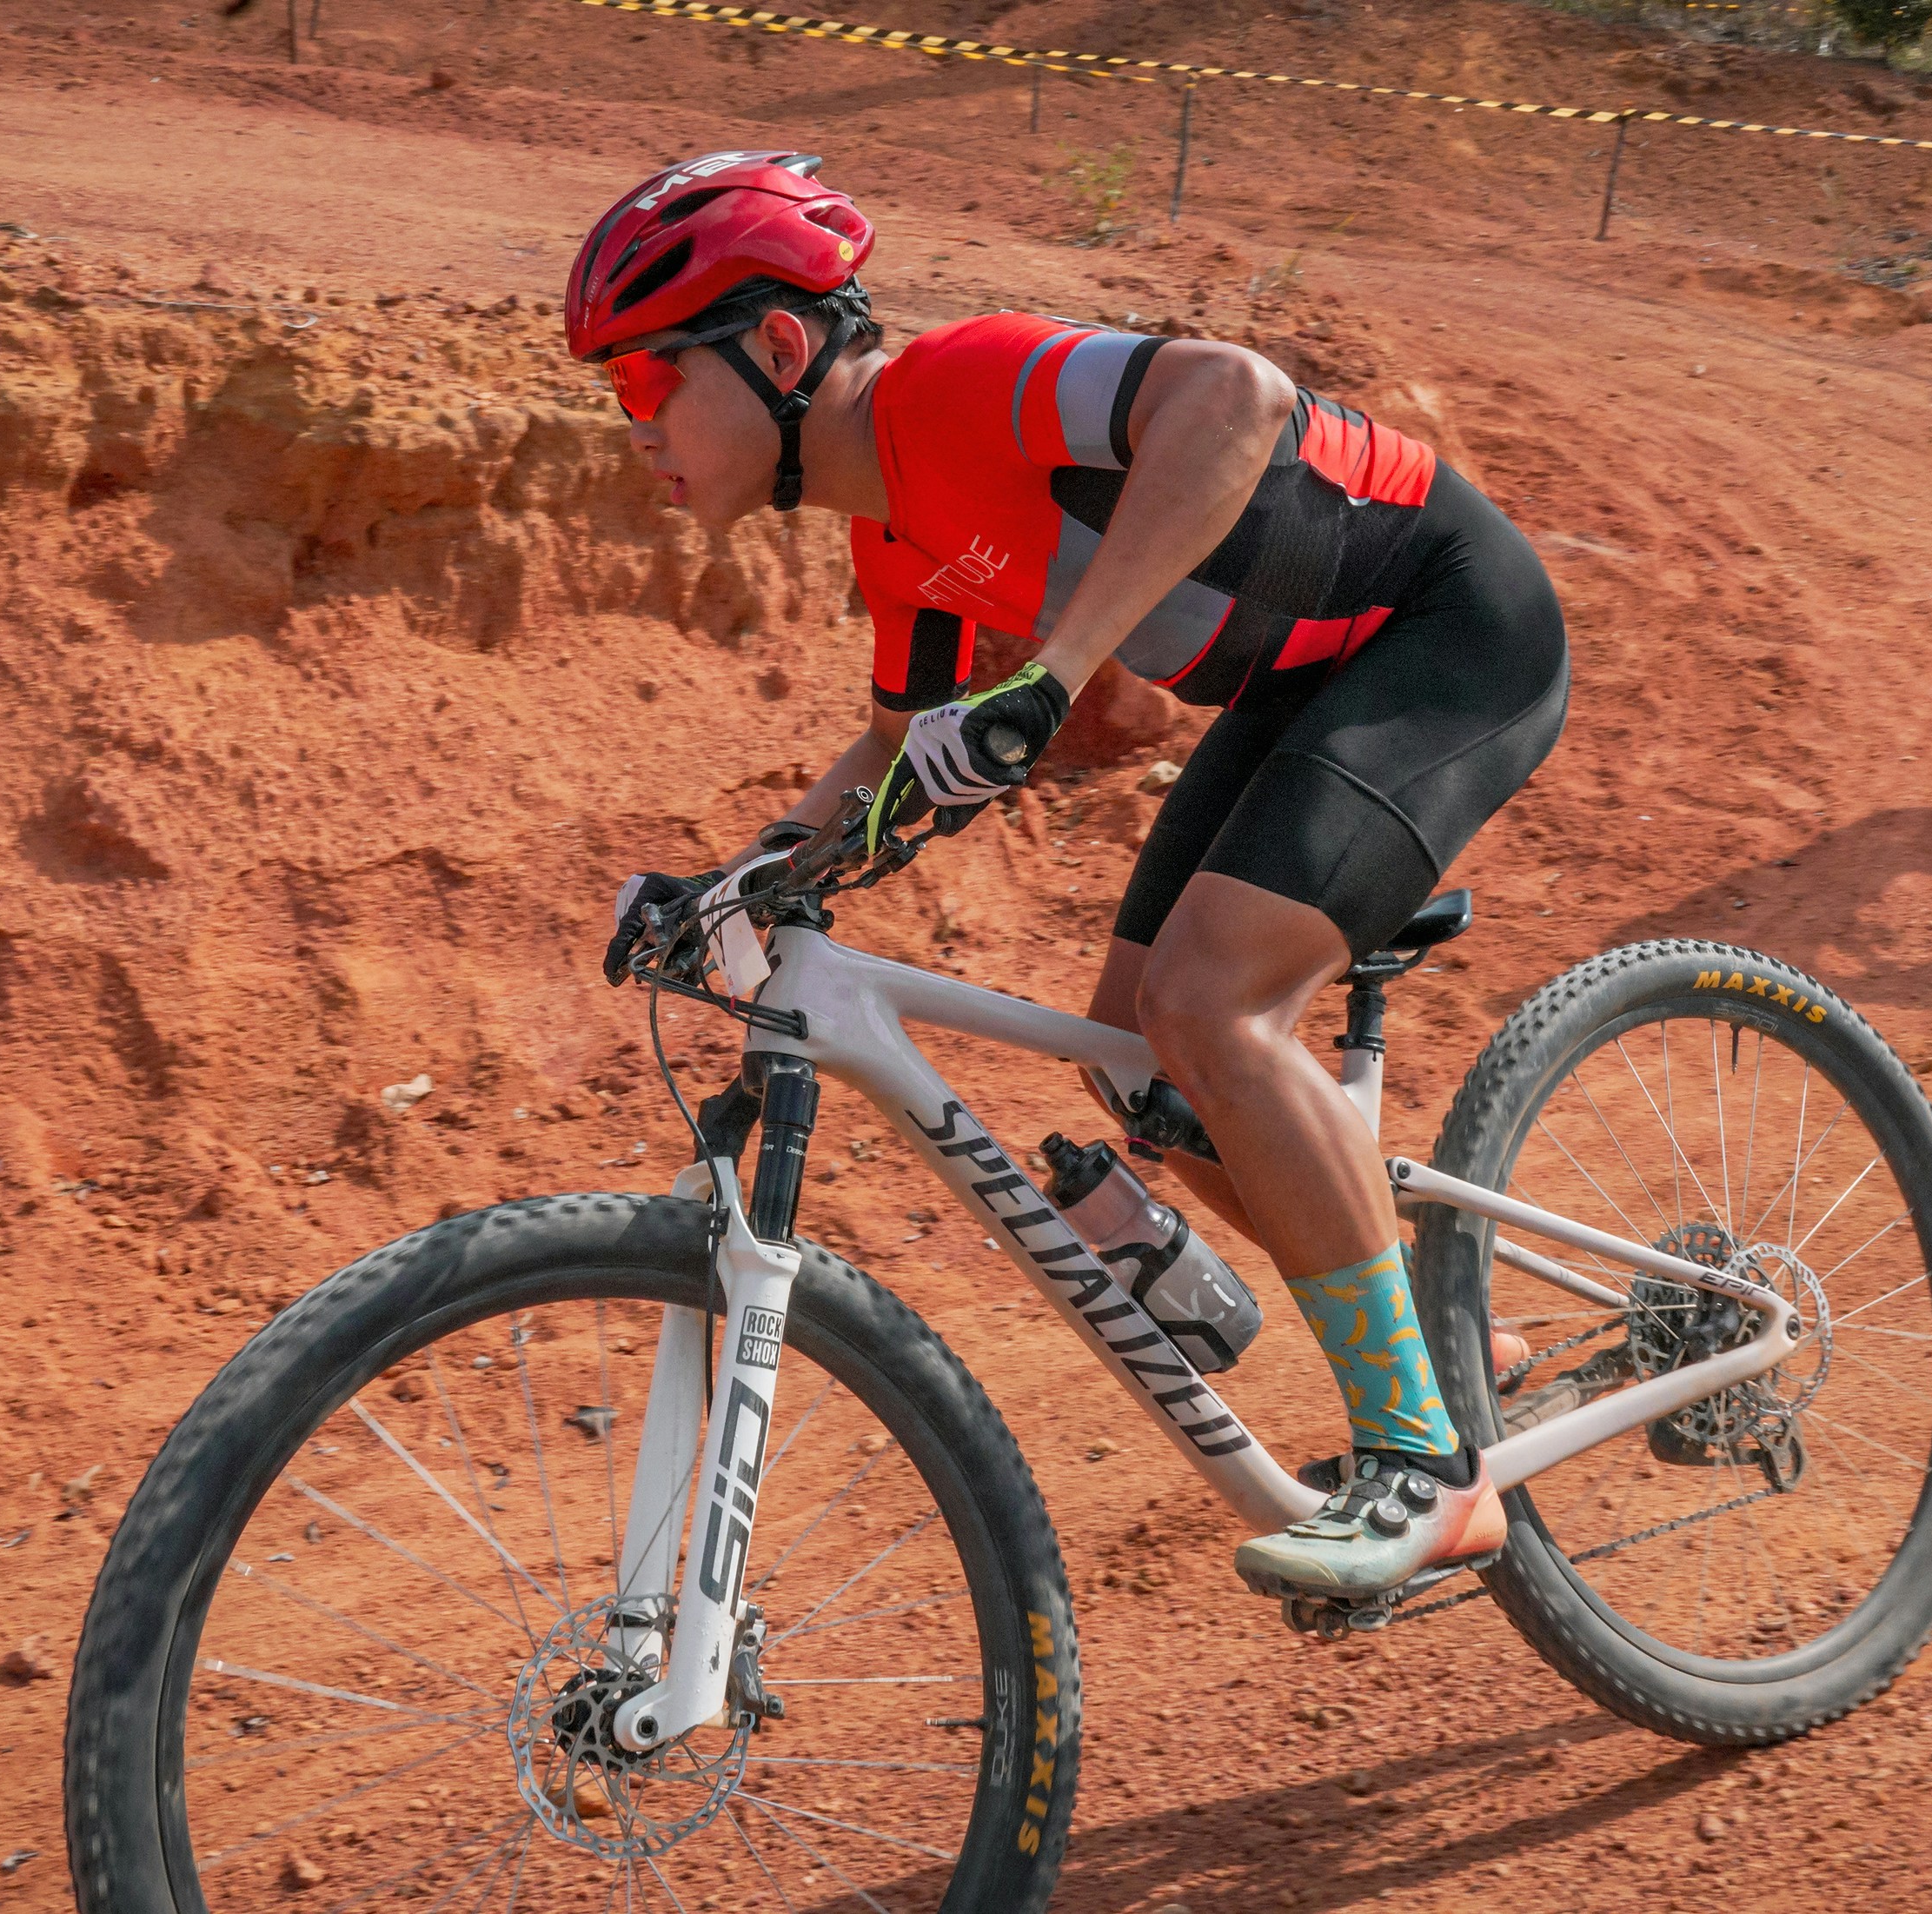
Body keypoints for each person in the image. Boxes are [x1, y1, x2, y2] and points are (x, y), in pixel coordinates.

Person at [569, 153, 1570, 1602]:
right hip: (1309, 681)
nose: (635, 432)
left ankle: (1424, 1463)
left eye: (643, 387)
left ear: (779, 347)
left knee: (1211, 1004)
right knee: (1134, 1045)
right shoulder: (892, 535)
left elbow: (1235, 398)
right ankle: (1438, 1338)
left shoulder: (958, 386)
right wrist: (731, 887)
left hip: (1449, 629)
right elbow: (895, 750)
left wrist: (1053, 668)